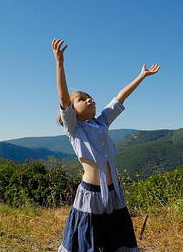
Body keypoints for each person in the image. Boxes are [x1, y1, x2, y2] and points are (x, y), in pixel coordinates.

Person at [51, 38, 160, 252]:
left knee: (113, 235)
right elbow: (64, 99)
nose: (90, 100)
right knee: (89, 237)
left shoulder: (100, 123)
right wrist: (59, 63)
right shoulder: (75, 129)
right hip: (91, 193)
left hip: (112, 191)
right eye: (83, 99)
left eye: (91, 98)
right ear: (72, 112)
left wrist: (141, 76)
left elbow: (119, 98)